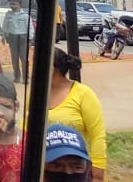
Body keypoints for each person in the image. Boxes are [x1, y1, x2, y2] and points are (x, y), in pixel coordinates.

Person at [47, 47, 107, 182]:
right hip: (49, 170)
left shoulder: (83, 94)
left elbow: (97, 136)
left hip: (76, 171)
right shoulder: (38, 95)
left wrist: (97, 176)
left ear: (51, 69)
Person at [2, 0, 31, 84]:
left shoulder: (25, 16)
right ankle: (17, 77)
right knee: (14, 58)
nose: (12, 5)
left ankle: (25, 78)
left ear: (19, 4)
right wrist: (4, 36)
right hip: (12, 37)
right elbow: (5, 26)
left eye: (14, 4)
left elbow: (30, 27)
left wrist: (30, 39)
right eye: (11, 4)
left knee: (24, 58)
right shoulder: (8, 15)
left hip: (23, 37)